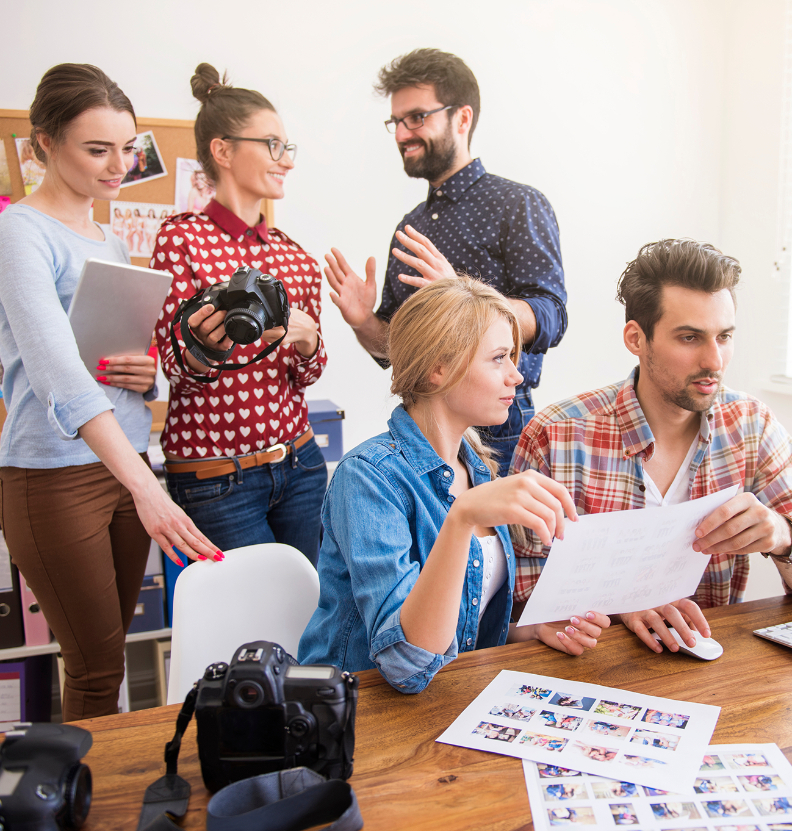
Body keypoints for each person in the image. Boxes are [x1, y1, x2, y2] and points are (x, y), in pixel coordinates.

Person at [0, 64, 221, 721]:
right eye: (97, 150)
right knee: (95, 670)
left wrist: (142, 374)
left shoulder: (113, 241)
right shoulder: (19, 233)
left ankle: (103, 795)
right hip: (55, 474)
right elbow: (57, 375)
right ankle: (83, 813)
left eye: (127, 148)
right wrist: (146, 487)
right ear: (44, 143)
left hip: (124, 466)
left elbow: (115, 364)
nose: (118, 165)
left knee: (114, 653)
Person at [298, 276, 608, 692]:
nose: (516, 376)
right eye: (498, 358)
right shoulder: (367, 478)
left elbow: (460, 630)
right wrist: (461, 519)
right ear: (437, 370)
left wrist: (526, 631)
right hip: (354, 712)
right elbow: (406, 667)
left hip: (449, 699)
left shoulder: (478, 467)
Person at [511, 238, 792, 655]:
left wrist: (783, 539)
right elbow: (514, 609)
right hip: (588, 674)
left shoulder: (751, 426)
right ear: (636, 338)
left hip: (716, 675)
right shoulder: (557, 435)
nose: (715, 361)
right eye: (690, 338)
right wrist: (619, 605)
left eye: (725, 336)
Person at [324, 48, 566, 477]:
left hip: (498, 424)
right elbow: (397, 351)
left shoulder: (518, 204)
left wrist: (465, 300)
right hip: (421, 426)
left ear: (462, 118)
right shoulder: (410, 225)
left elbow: (551, 316)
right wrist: (363, 321)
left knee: (494, 546)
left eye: (416, 117)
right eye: (396, 122)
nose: (402, 133)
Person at [152, 63, 327, 563]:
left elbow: (307, 374)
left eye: (287, 148)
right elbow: (176, 370)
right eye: (272, 145)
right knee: (252, 630)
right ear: (223, 150)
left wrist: (309, 342)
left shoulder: (294, 255)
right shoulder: (180, 239)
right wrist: (206, 349)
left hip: (300, 463)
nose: (286, 161)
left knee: (313, 614)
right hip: (215, 478)